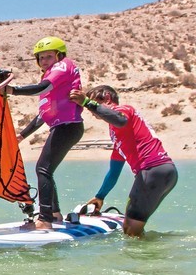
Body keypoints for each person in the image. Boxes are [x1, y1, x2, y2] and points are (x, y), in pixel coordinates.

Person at [70, 84, 178, 237]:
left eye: (94, 104)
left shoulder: (124, 111)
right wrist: (100, 196)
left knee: (130, 231)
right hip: (166, 173)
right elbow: (114, 172)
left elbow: (120, 120)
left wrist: (86, 102)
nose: (92, 113)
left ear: (107, 97)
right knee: (135, 228)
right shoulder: (119, 134)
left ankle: (143, 260)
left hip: (151, 171)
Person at [6, 36, 84, 229]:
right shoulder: (50, 79)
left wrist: (12, 90)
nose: (44, 61)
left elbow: (43, 87)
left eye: (49, 56)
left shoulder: (63, 66)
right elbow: (43, 114)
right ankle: (55, 214)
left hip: (69, 126)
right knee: (45, 170)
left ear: (59, 55)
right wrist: (22, 135)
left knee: (43, 169)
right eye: (40, 58)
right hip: (62, 127)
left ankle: (45, 220)